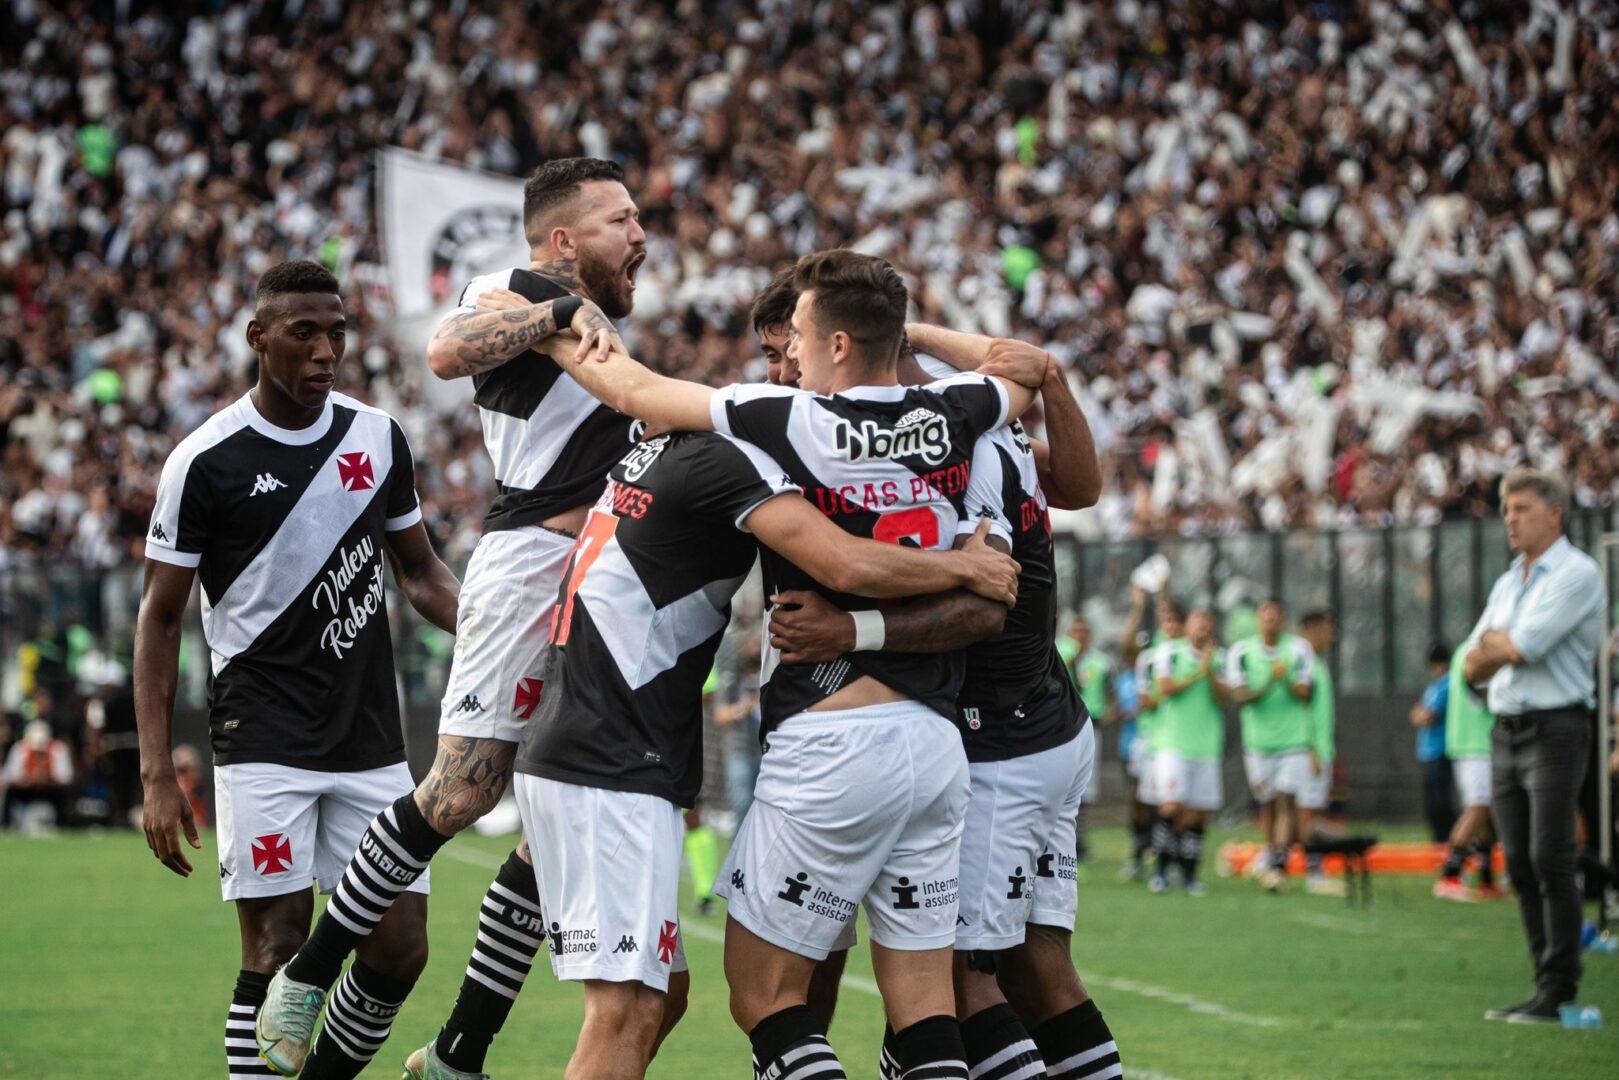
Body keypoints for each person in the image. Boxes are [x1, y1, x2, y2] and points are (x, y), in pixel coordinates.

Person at [559, 248, 1043, 1078]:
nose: (794, 358)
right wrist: (904, 322)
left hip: (835, 738)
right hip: (934, 748)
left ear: (841, 345)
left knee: (762, 993)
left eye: (804, 339)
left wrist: (551, 317)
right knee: (924, 1003)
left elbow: (631, 391)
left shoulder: (788, 416)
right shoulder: (960, 407)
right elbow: (1023, 372)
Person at [258, 159, 636, 1080]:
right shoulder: (516, 288)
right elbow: (443, 350)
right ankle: (306, 976)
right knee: (461, 794)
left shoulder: (604, 322)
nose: (639, 232)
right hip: (527, 566)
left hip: (600, 578)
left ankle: (459, 1053)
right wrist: (556, 314)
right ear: (561, 239)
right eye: (619, 218)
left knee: (558, 819)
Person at [511, 419, 1018, 1078]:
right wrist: (964, 563)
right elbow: (844, 561)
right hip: (609, 755)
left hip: (605, 746)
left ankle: (461, 1040)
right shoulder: (734, 457)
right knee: (631, 1011)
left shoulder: (653, 451)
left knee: (664, 1002)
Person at [133, 260, 461, 1080]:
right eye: (303, 333)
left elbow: (420, 573)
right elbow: (160, 617)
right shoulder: (204, 461)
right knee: (278, 946)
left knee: (401, 947)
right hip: (263, 739)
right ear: (259, 338)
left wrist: (501, 632)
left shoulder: (376, 436)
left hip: (370, 740)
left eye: (337, 332)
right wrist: (155, 773)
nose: (325, 351)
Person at [772, 326, 1119, 1080]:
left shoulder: (935, 432)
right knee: (1035, 968)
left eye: (789, 346)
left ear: (841, 345)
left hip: (1002, 736)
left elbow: (985, 600)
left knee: (960, 983)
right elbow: (1079, 484)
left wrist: (848, 626)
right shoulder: (979, 413)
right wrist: (1043, 376)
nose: (784, 370)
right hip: (1043, 720)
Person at [1464, 468, 1604, 1024]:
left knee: (1551, 856)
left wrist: (1500, 645)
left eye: (1521, 508)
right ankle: (1542, 981)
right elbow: (1471, 661)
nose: (1511, 520)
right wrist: (1499, 647)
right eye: (1506, 510)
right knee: (1518, 859)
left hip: (1556, 729)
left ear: (1555, 514)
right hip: (1507, 730)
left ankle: (1560, 986)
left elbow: (1520, 647)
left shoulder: (1577, 572)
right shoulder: (1509, 581)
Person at [1225, 598, 1316, 892]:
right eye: (1265, 616)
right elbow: (1239, 696)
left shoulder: (1299, 649)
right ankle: (1270, 855)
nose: (1271, 621)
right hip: (1259, 744)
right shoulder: (1242, 652)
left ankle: (1279, 864)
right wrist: (1268, 682)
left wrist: (1285, 678)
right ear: (1258, 620)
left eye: (1276, 616)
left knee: (1285, 799)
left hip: (1293, 741)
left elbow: (1305, 693)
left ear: (1284, 620)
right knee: (1268, 804)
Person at [1151, 608, 1226, 896]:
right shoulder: (1170, 652)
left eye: (1208, 623)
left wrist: (1210, 673)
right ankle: (1160, 871)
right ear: (1189, 626)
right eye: (1199, 623)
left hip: (1206, 746)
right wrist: (1199, 672)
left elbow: (1224, 698)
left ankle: (1190, 874)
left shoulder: (1218, 659)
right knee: (1171, 806)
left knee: (1196, 814)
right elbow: (1167, 688)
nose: (1203, 629)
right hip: (1173, 744)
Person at [1436, 642, 1502, 901]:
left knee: (1484, 813)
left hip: (1467, 743)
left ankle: (1487, 879)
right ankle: (1450, 875)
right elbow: (1486, 694)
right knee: (1477, 808)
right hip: (1477, 743)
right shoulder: (1480, 651)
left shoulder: (1463, 649)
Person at [1297, 609, 1344, 896]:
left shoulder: (1317, 663)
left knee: (1314, 809)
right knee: (1308, 812)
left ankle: (1275, 860)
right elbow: (1299, 710)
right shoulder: (1302, 662)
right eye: (1328, 628)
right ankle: (1314, 871)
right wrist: (1310, 748)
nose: (1332, 634)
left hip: (1323, 749)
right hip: (1310, 751)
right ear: (1312, 628)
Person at [1411, 643, 1458, 844]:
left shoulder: (1447, 684)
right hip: (1428, 752)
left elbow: (1428, 716)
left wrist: (1421, 715)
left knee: (1441, 802)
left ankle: (1450, 840)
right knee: (1432, 802)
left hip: (1441, 750)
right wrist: (1420, 715)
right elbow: (1416, 714)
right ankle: (1440, 840)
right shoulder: (1434, 686)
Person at [3, 718, 74, 832]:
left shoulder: (58, 749)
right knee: (11, 793)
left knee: (63, 795)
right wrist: (27, 780)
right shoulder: (19, 749)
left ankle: (63, 825)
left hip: (50, 789)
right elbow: (9, 776)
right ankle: (7, 825)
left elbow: (67, 777)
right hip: (27, 789)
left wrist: (48, 779)